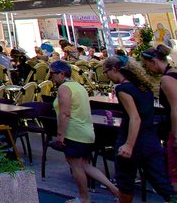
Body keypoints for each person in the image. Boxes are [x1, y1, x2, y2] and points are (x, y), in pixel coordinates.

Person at [102, 55, 176, 203]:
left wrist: (129, 144)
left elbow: (135, 118)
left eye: (106, 72)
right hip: (151, 140)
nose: (107, 76)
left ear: (114, 69)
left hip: (132, 139)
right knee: (161, 181)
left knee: (125, 182)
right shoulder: (144, 87)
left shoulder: (123, 89)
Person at [50, 60, 118, 203]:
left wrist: (60, 136)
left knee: (76, 166)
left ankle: (84, 198)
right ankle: (114, 190)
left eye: (53, 74)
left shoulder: (64, 88)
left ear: (62, 74)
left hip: (73, 132)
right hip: (86, 131)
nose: (51, 77)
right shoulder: (79, 87)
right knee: (85, 165)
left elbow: (64, 113)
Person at [141, 44, 177, 192]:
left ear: (153, 62)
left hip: (174, 127)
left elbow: (175, 107)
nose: (148, 69)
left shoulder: (167, 79)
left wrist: (175, 135)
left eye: (146, 65)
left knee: (174, 173)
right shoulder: (174, 73)